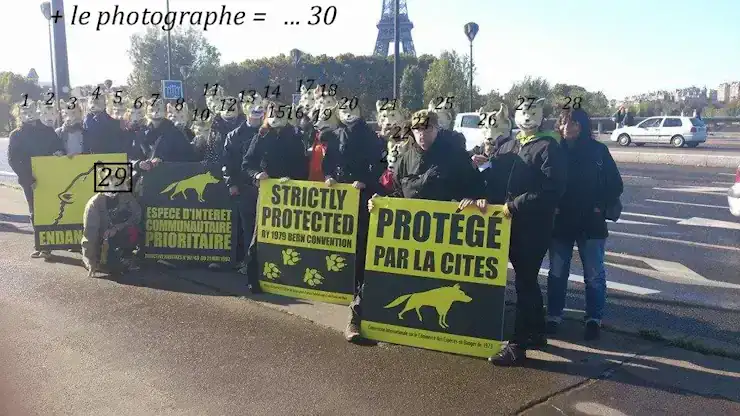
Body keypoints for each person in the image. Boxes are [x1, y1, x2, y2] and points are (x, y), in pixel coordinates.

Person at [354, 110, 485, 341]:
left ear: (437, 129)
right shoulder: (405, 156)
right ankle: (359, 316)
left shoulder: (454, 155)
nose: (422, 134)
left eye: (427, 129)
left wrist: (474, 199)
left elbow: (475, 186)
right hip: (410, 233)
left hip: (445, 233)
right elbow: (395, 190)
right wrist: (380, 202)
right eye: (417, 130)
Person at [479, 97, 567, 366]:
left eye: (533, 113)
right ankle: (536, 333)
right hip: (512, 223)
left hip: (532, 225)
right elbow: (498, 179)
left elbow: (552, 189)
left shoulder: (548, 147)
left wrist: (514, 205)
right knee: (527, 282)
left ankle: (517, 344)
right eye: (523, 113)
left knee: (525, 282)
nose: (527, 118)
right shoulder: (512, 144)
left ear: (541, 116)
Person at [546, 108, 623, 341]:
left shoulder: (599, 151)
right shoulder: (553, 150)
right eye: (563, 122)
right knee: (557, 273)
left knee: (594, 274)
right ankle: (554, 316)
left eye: (573, 123)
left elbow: (616, 185)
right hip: (561, 222)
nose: (567, 127)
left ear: (583, 126)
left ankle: (593, 319)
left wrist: (599, 205)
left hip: (591, 221)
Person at [325, 101, 387, 342]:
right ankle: (347, 288)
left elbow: (379, 167)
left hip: (362, 197)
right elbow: (328, 162)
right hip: (340, 197)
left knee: (361, 245)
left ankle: (359, 295)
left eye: (352, 110)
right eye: (343, 111)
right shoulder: (335, 135)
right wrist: (329, 176)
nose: (348, 115)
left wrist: (365, 180)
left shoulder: (371, 136)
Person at [241, 100, 308, 293]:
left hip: (291, 196)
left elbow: (303, 166)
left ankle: (288, 280)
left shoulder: (295, 136)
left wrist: (294, 180)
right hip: (266, 196)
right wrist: (256, 175)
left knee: (289, 238)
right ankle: (253, 279)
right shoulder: (261, 135)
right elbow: (247, 164)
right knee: (260, 237)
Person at [7, 100, 66, 259]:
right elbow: (13, 159)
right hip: (30, 181)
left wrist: (59, 152)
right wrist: (28, 178)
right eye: (24, 110)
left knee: (53, 209)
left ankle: (52, 243)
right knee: (35, 212)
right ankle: (41, 245)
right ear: (18, 113)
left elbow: (59, 147)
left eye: (32, 109)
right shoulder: (16, 134)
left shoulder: (48, 131)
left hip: (50, 178)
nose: (29, 112)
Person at [224, 96, 266, 273]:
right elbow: (227, 163)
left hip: (269, 188)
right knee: (248, 227)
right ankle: (250, 263)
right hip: (245, 188)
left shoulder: (271, 131)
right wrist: (231, 183)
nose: (256, 110)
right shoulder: (234, 136)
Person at [80, 177, 142, 276]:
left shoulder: (126, 196)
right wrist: (90, 261)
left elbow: (137, 214)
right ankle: (98, 260)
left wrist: (118, 227)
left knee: (134, 231)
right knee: (112, 268)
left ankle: (127, 256)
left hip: (119, 231)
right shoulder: (94, 204)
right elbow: (90, 234)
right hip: (103, 238)